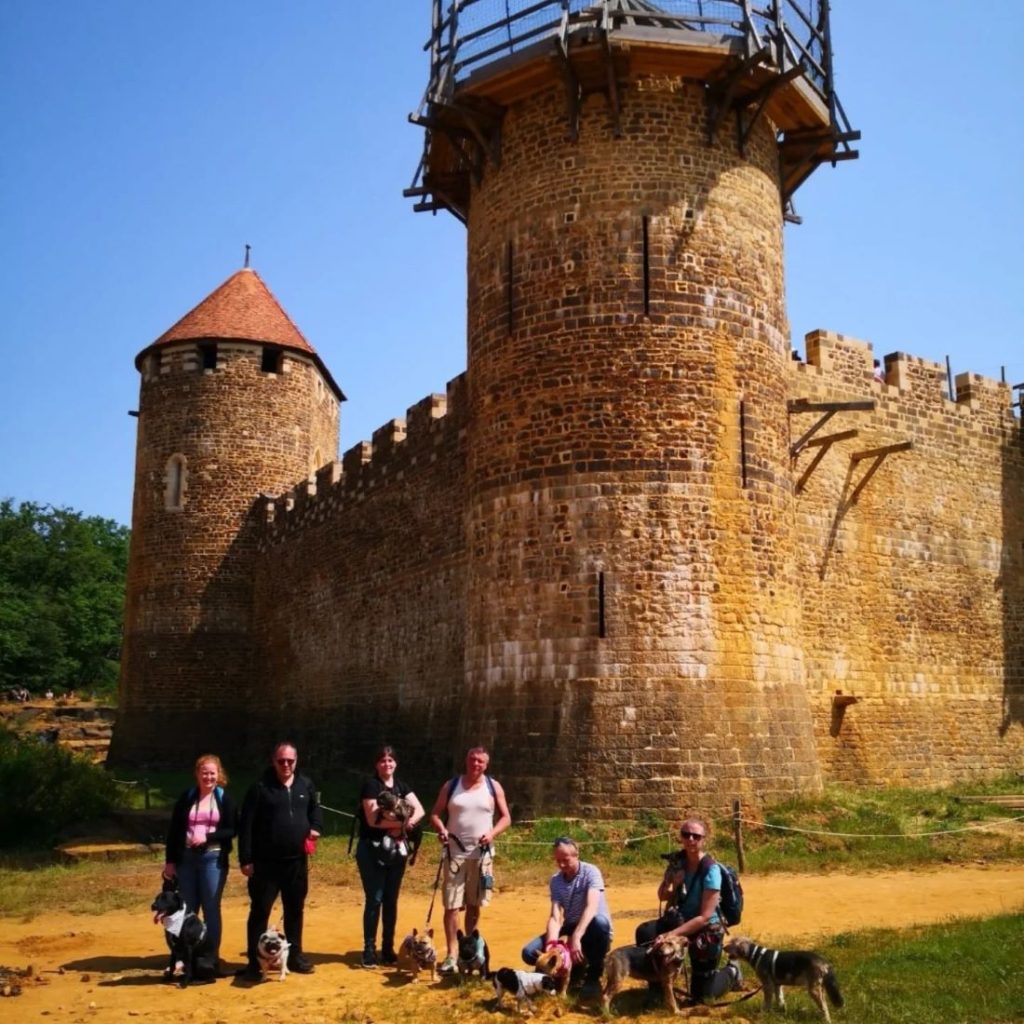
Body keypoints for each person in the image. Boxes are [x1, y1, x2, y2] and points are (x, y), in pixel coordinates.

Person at [237, 741, 323, 980]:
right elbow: (246, 826)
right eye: (281, 760)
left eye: (290, 761)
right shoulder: (259, 788)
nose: (286, 765)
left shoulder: (305, 784)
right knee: (260, 911)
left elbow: (316, 810)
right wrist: (245, 859)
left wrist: (316, 826)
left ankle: (294, 956)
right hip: (265, 864)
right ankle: (255, 962)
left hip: (296, 862)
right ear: (273, 761)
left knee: (295, 910)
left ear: (296, 761)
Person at [637, 818, 742, 1003]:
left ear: (704, 839)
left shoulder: (711, 870)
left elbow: (705, 916)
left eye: (696, 836)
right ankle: (658, 988)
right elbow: (663, 896)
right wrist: (671, 883)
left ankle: (732, 971)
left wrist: (670, 934)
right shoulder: (678, 862)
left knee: (702, 996)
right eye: (686, 834)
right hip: (680, 919)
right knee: (646, 931)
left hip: (704, 927)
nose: (690, 839)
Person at [429, 745, 512, 975]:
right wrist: (442, 829)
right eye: (472, 760)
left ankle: (471, 953)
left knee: (474, 905)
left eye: (480, 762)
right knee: (451, 905)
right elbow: (435, 813)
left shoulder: (493, 787)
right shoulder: (451, 785)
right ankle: (452, 955)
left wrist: (492, 834)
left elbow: (506, 818)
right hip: (454, 854)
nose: (476, 764)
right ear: (466, 760)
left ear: (486, 765)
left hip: (481, 856)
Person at [163, 753, 238, 970]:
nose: (208, 777)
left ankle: (210, 956)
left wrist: (208, 837)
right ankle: (185, 955)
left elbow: (232, 830)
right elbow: (175, 831)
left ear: (219, 774)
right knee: (187, 909)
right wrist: (170, 862)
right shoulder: (187, 798)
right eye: (204, 772)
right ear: (197, 774)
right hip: (186, 859)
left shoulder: (225, 799)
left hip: (212, 859)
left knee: (211, 908)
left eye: (212, 773)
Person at [355, 745, 425, 968]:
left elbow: (421, 810)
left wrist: (404, 826)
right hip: (372, 850)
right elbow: (372, 820)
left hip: (396, 851)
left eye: (391, 760)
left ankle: (387, 949)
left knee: (391, 900)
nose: (387, 764)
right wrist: (404, 824)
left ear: (396, 763)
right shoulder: (371, 786)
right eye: (383, 760)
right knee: (374, 899)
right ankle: (369, 949)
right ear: (377, 764)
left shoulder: (402, 786)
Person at [521, 837, 612, 1000]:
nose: (562, 865)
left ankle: (593, 976)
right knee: (528, 953)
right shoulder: (556, 880)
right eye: (558, 861)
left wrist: (576, 936)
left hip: (591, 926)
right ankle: (554, 974)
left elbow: (591, 907)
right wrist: (552, 945)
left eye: (566, 860)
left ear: (576, 855)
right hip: (569, 925)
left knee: (601, 923)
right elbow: (555, 916)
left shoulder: (591, 872)